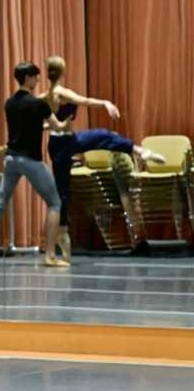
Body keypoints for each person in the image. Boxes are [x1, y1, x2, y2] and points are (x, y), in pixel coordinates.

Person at [39, 55, 164, 259]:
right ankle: (140, 151)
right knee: (103, 135)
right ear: (62, 71)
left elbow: (45, 120)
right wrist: (105, 103)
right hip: (68, 142)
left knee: (62, 191)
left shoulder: (45, 95)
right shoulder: (62, 92)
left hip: (56, 144)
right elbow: (85, 101)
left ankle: (62, 234)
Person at [0, 61, 71, 268]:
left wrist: (44, 126)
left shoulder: (9, 103)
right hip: (30, 160)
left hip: (11, 159)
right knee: (55, 203)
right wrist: (67, 122)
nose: (38, 79)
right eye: (35, 76)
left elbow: (28, 127)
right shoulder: (39, 104)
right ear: (27, 78)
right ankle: (50, 256)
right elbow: (58, 127)